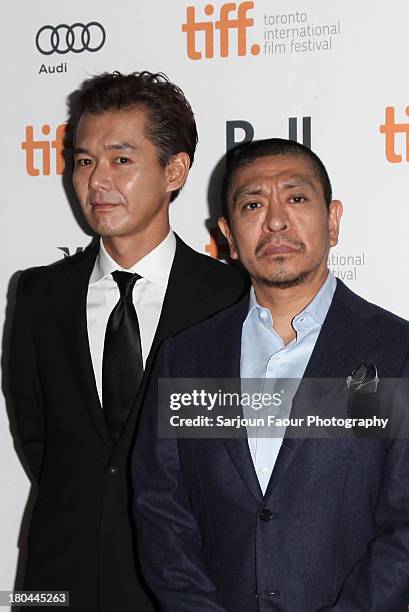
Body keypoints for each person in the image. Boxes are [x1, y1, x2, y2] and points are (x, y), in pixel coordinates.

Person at [132, 138, 409, 611]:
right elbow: (162, 514)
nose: (276, 220)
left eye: (297, 198)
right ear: (228, 235)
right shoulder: (187, 359)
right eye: (253, 204)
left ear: (334, 220)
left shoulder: (397, 354)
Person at [8, 71, 247, 612]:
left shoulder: (231, 297)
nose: (96, 181)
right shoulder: (40, 295)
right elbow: (38, 439)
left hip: (187, 582)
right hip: (57, 578)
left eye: (121, 159)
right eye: (85, 160)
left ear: (174, 170)